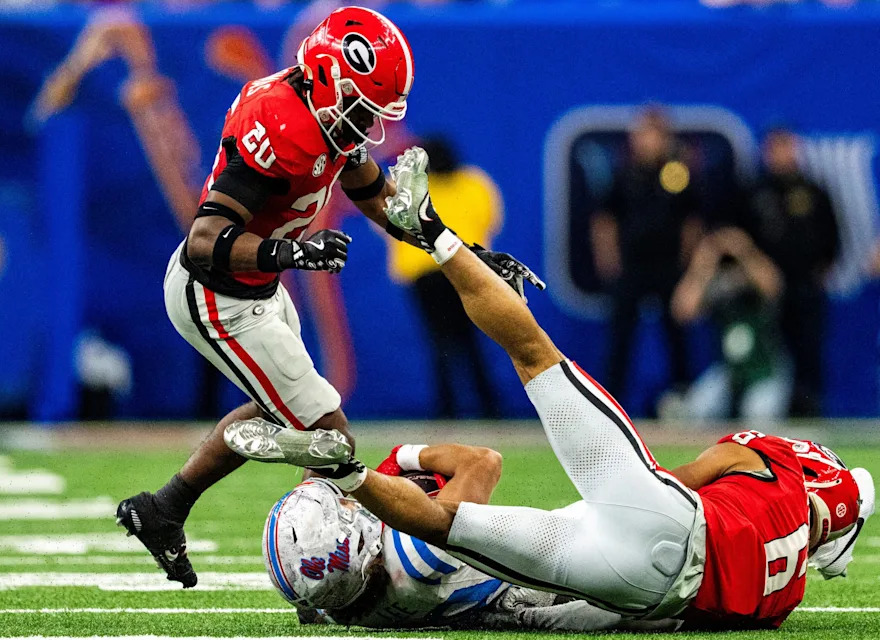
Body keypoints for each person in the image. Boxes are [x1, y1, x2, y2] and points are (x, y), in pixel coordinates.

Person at [229, 147, 873, 630]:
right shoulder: (783, 605)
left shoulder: (780, 488)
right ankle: (348, 473)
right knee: (447, 524)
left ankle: (430, 231)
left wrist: (627, 492)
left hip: (657, 541)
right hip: (641, 587)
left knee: (532, 352)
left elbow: (699, 472)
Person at [115, 6, 420, 588]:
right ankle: (318, 565)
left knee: (280, 410)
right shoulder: (282, 126)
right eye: (360, 110)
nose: (367, 128)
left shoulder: (328, 113)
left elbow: (373, 191)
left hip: (256, 288)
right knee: (330, 436)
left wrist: (454, 247)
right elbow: (204, 242)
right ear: (328, 79)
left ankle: (164, 509)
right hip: (216, 293)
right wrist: (294, 254)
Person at [263, 447, 680, 632]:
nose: (351, 504)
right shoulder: (417, 555)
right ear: (357, 539)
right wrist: (404, 458)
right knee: (678, 508)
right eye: (346, 508)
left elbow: (317, 580)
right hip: (571, 576)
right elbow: (483, 462)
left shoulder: (336, 604)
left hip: (512, 603)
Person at [591, 107, 702, 405]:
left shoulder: (678, 175)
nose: (648, 141)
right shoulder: (623, 175)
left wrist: (688, 268)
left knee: (677, 336)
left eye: (655, 135)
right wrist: (610, 263)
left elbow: (692, 222)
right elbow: (604, 221)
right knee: (620, 338)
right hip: (631, 268)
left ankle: (683, 398)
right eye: (643, 134)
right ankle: (611, 400)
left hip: (668, 269)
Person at [386, 135, 502, 418]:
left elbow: (388, 221)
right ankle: (489, 409)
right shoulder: (474, 183)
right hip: (465, 267)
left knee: (439, 342)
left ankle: (447, 410)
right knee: (471, 339)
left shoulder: (413, 186)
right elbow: (491, 220)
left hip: (424, 272)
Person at [736, 127, 840, 417]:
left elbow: (832, 239)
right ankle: (763, 416)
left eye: (787, 146)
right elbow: (736, 238)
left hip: (804, 286)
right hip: (760, 293)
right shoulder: (753, 192)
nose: (781, 153)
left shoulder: (814, 191)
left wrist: (819, 272)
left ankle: (809, 411)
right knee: (767, 354)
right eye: (775, 147)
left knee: (808, 351)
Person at [670, 227, 791, 421]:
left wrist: (743, 250)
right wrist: (704, 261)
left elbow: (774, 286)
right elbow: (682, 310)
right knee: (697, 411)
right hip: (728, 371)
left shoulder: (754, 273)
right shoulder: (714, 278)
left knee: (759, 416)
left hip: (765, 370)